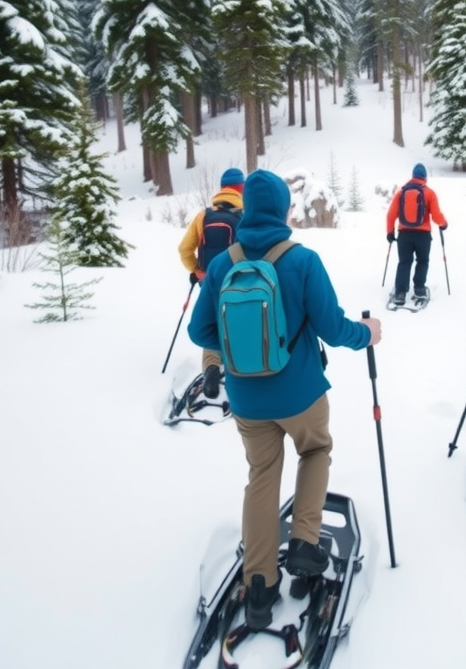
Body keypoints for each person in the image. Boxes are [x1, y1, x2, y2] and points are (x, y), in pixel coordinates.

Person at [187, 169, 382, 630]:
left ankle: (259, 585)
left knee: (261, 476)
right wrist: (368, 334)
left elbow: (200, 331)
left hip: (248, 402)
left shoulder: (221, 264)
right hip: (301, 395)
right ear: (283, 210)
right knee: (315, 451)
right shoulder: (302, 260)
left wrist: (233, 357)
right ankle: (303, 543)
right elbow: (334, 330)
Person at [179, 167, 245, 398]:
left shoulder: (203, 216)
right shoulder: (244, 215)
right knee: (234, 321)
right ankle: (239, 367)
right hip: (237, 281)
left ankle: (210, 369)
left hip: (208, 280)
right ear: (241, 188)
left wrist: (196, 270)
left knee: (211, 322)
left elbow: (184, 249)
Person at [385, 163, 448, 305]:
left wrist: (390, 233)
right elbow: (436, 215)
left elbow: (390, 215)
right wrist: (444, 224)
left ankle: (400, 292)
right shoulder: (430, 193)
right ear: (425, 177)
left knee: (404, 262)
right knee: (423, 261)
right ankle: (419, 288)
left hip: (404, 234)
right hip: (423, 236)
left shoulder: (401, 192)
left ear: (413, 176)